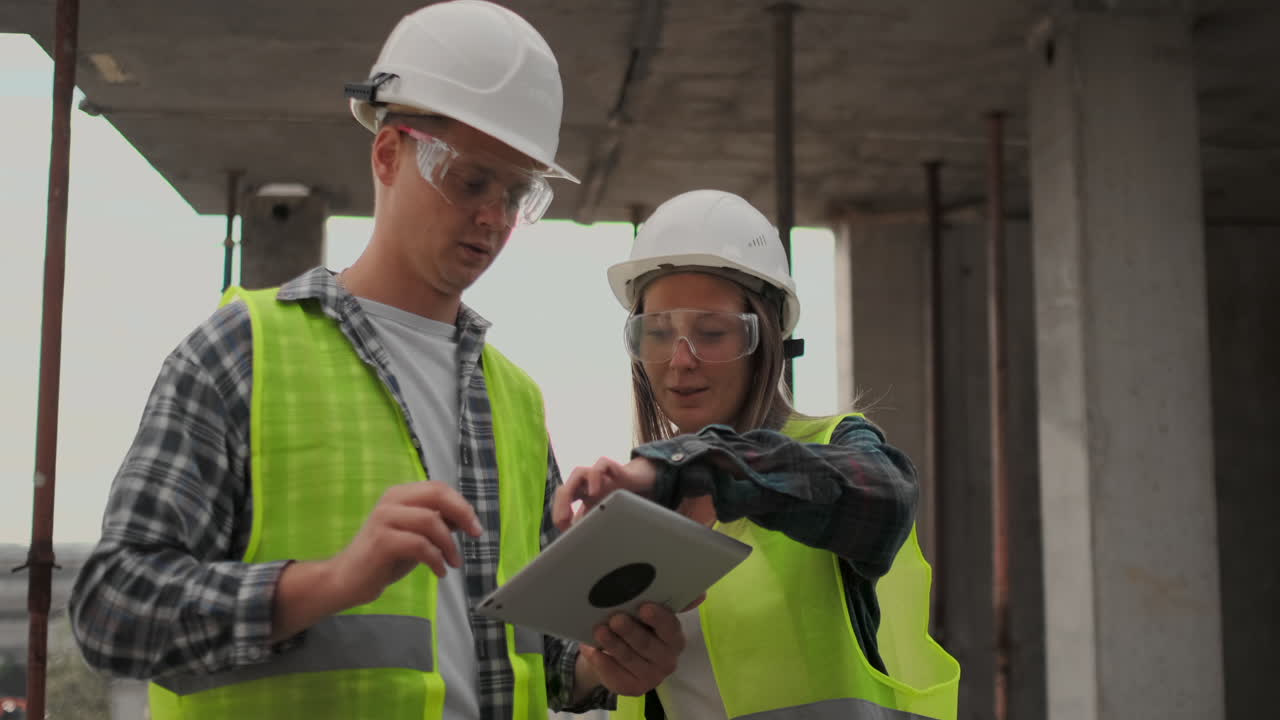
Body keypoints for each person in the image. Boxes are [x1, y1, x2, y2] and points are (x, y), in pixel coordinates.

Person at [67, 3, 684, 718]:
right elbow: (112, 609)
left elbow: (535, 665)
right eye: (470, 179)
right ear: (388, 153)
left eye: (517, 193)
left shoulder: (513, 400)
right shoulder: (240, 354)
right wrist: (326, 584)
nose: (494, 217)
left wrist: (601, 665)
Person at [553, 189, 961, 719]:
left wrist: (693, 470)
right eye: (657, 333)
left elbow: (884, 497)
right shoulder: (640, 509)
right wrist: (594, 672)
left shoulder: (839, 449)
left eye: (713, 333)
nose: (681, 361)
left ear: (767, 339)